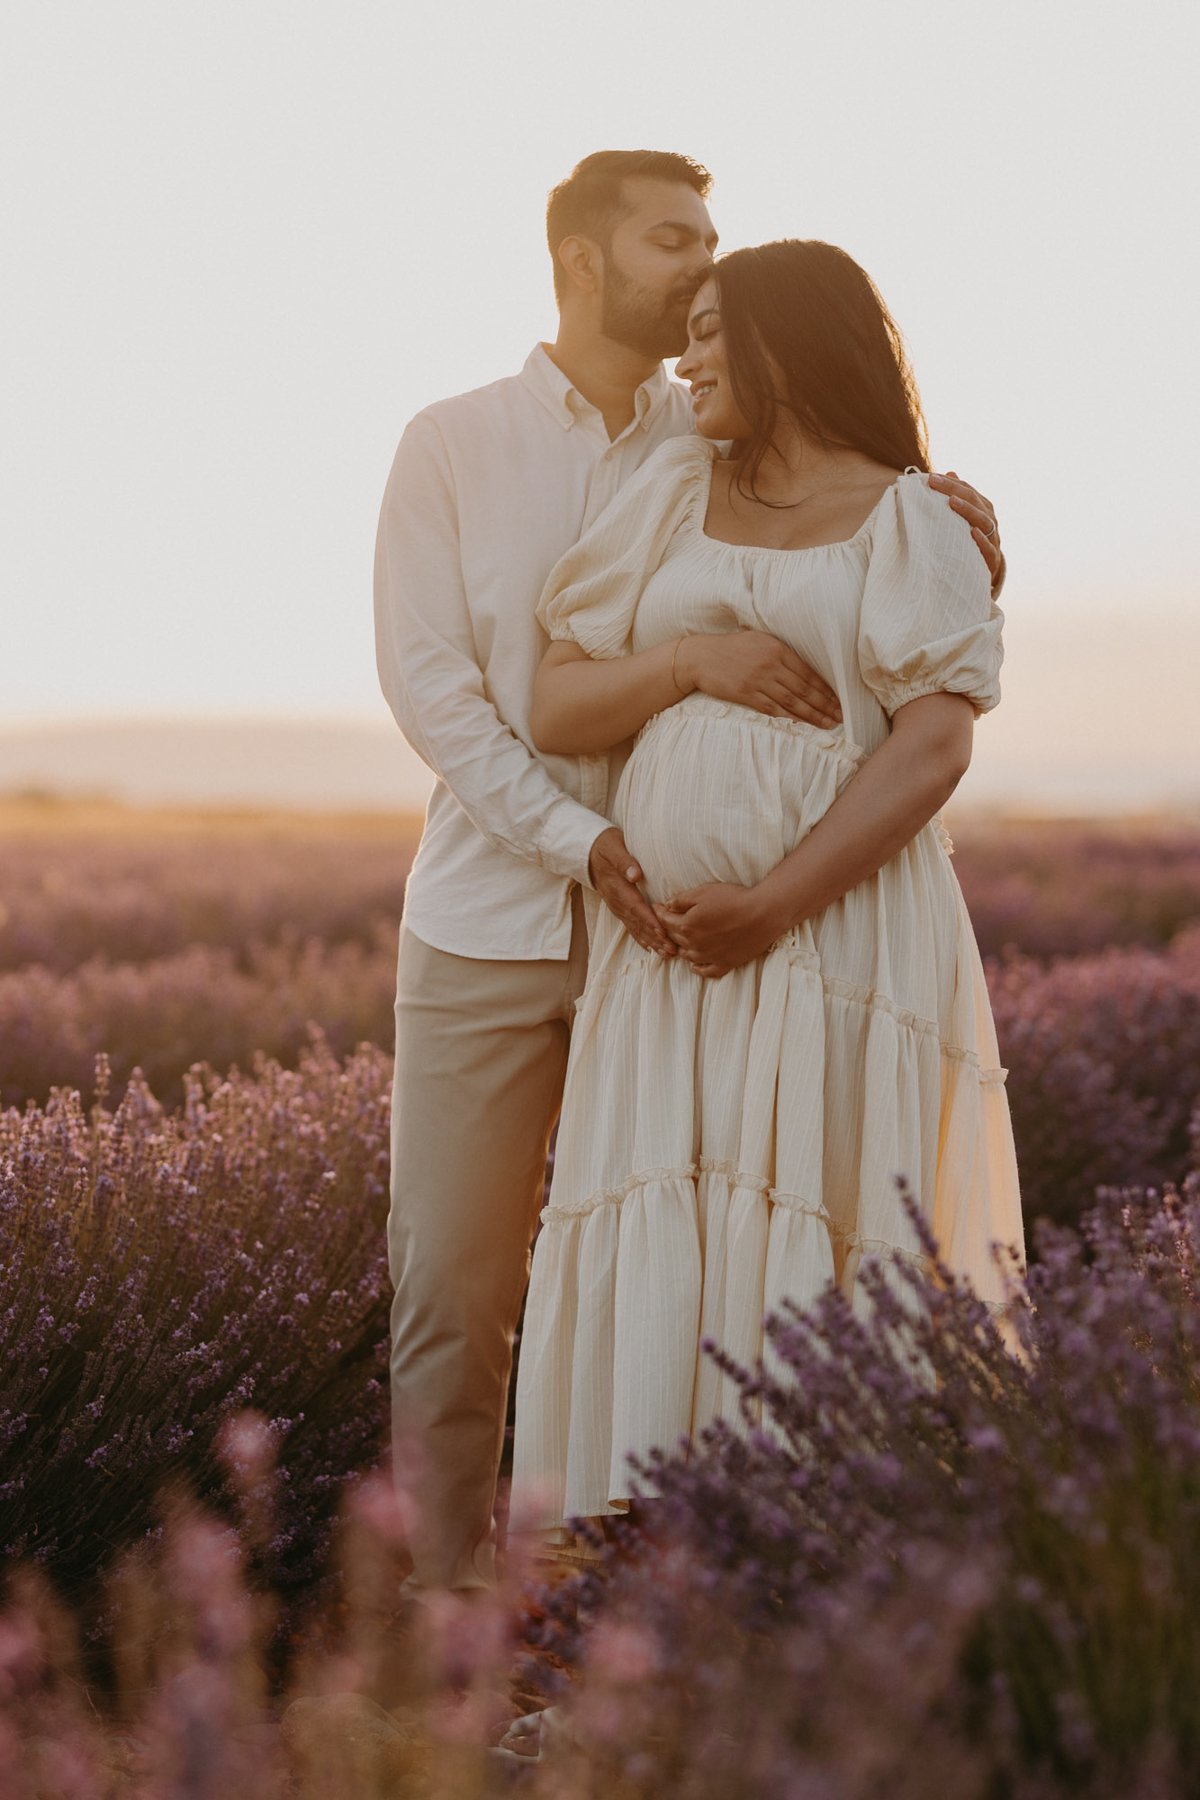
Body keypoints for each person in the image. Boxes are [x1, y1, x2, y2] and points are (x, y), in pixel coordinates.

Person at [374, 154, 1006, 1591]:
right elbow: (446, 696)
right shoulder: (456, 443)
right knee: (457, 1303)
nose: (697, 277)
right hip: (505, 917)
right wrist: (589, 835)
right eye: (674, 245)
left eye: (716, 256)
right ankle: (443, 1642)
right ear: (583, 260)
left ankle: (701, 1600)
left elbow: (875, 588)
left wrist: (966, 548)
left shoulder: (697, 437)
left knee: (717, 1256)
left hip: (673, 945)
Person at [512, 239, 1025, 1529]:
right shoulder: (673, 496)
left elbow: (937, 739)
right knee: (666, 1219)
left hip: (832, 948)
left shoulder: (916, 517)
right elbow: (557, 700)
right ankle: (634, 1571)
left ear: (790, 342)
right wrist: (698, 660)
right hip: (671, 963)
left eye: (708, 331)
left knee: (818, 1222)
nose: (684, 360)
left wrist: (778, 898)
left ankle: (808, 1568)